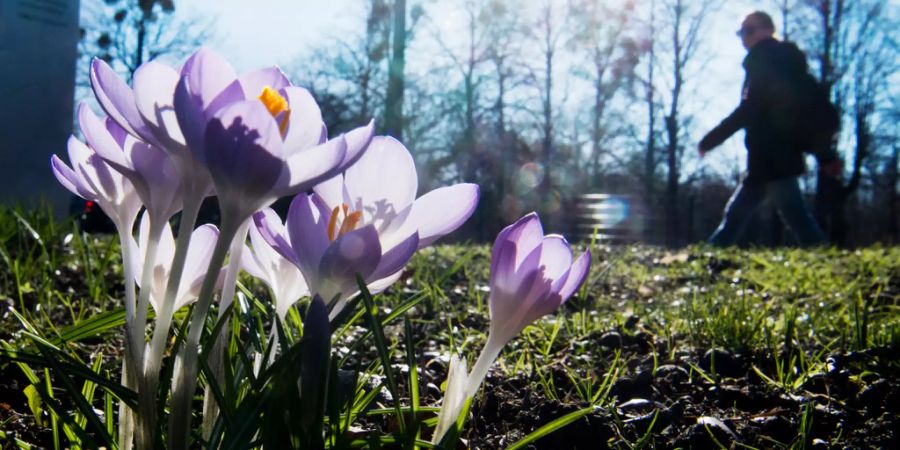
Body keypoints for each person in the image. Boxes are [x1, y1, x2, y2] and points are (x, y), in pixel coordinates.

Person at [699, 11, 842, 247]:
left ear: (767, 30)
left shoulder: (770, 62)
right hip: (764, 160)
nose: (743, 37)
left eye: (749, 30)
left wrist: (712, 139)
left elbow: (751, 110)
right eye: (741, 32)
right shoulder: (771, 62)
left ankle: (828, 261)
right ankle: (707, 257)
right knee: (736, 216)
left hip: (777, 158)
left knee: (796, 218)